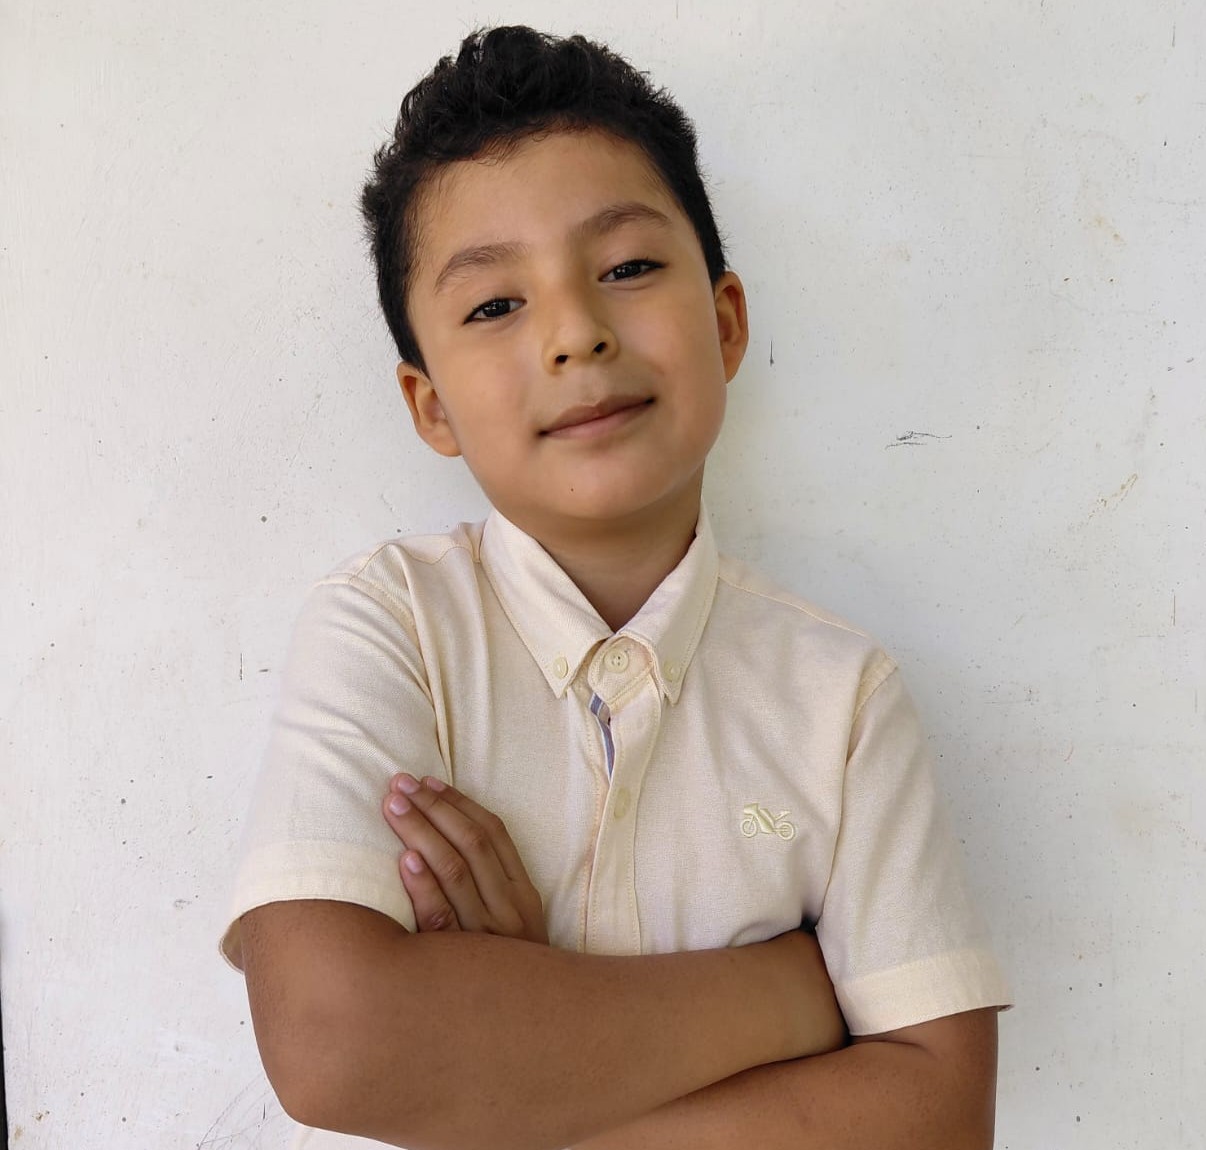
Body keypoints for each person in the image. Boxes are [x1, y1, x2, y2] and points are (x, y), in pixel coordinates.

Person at [222, 25, 1011, 1150]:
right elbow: (335, 1043)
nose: (576, 335)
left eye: (627, 269)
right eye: (494, 305)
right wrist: (791, 996)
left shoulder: (840, 699)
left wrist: (498, 1055)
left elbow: (936, 1118)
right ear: (430, 406)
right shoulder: (391, 626)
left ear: (725, 323)